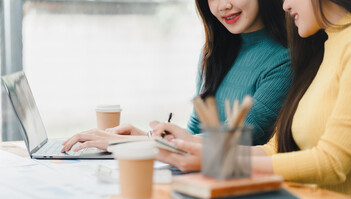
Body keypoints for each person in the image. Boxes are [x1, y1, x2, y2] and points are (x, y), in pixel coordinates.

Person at [154, 0, 351, 199]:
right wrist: (182, 143)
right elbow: (276, 148)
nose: (285, 5)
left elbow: (332, 163)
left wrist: (217, 159)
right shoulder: (323, 45)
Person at [61, 0, 292, 153]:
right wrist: (146, 135)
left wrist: (138, 143)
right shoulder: (215, 53)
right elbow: (193, 132)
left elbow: (238, 137)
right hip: (200, 176)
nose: (224, 5)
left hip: (238, 188)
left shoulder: (285, 59)